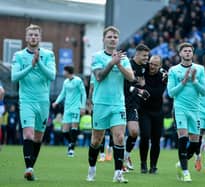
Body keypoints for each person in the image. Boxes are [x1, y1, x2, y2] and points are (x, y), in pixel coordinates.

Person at [86, 26, 134, 183]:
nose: (112, 39)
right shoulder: (97, 57)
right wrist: (112, 63)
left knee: (119, 138)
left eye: (115, 37)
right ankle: (92, 169)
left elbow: (131, 77)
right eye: (110, 37)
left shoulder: (124, 58)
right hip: (100, 104)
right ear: (103, 39)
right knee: (96, 141)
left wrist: (119, 64)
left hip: (118, 104)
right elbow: (99, 76)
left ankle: (118, 174)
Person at [11, 24, 56, 181]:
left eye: (36, 35)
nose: (33, 37)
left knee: (38, 138)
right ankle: (29, 168)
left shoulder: (48, 54)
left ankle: (30, 168)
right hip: (27, 100)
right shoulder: (19, 55)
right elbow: (14, 77)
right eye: (30, 35)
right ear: (26, 37)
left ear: (40, 37)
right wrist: (31, 66)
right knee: (28, 134)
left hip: (43, 101)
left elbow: (52, 76)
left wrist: (39, 63)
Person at [167, 42, 205, 182]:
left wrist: (194, 81)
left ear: (193, 53)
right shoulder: (173, 70)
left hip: (195, 109)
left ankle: (180, 163)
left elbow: (203, 91)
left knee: (195, 143)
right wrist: (184, 81)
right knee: (183, 138)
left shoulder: (200, 69)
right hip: (180, 108)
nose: (188, 53)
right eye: (185, 51)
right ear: (180, 53)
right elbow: (171, 93)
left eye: (190, 51)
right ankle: (185, 171)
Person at [123, 43, 150, 171]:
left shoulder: (144, 68)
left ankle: (126, 156)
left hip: (133, 103)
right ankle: (119, 162)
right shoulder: (127, 64)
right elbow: (124, 86)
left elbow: (141, 83)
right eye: (144, 56)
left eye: (147, 56)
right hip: (120, 102)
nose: (146, 58)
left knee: (134, 132)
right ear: (137, 54)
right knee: (118, 134)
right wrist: (139, 90)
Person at [138, 55, 167, 174]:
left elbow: (157, 93)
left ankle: (153, 166)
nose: (152, 66)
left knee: (156, 140)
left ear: (160, 66)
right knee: (145, 136)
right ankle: (143, 163)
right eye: (151, 63)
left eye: (155, 65)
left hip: (157, 111)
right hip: (144, 110)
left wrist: (144, 86)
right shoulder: (143, 71)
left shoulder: (163, 77)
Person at [52, 65, 87, 157]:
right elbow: (62, 93)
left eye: (64, 71)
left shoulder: (78, 81)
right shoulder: (66, 82)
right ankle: (72, 142)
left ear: (67, 72)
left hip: (76, 107)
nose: (63, 73)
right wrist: (56, 102)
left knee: (74, 127)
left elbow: (83, 94)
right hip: (67, 108)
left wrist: (83, 107)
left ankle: (71, 149)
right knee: (64, 131)